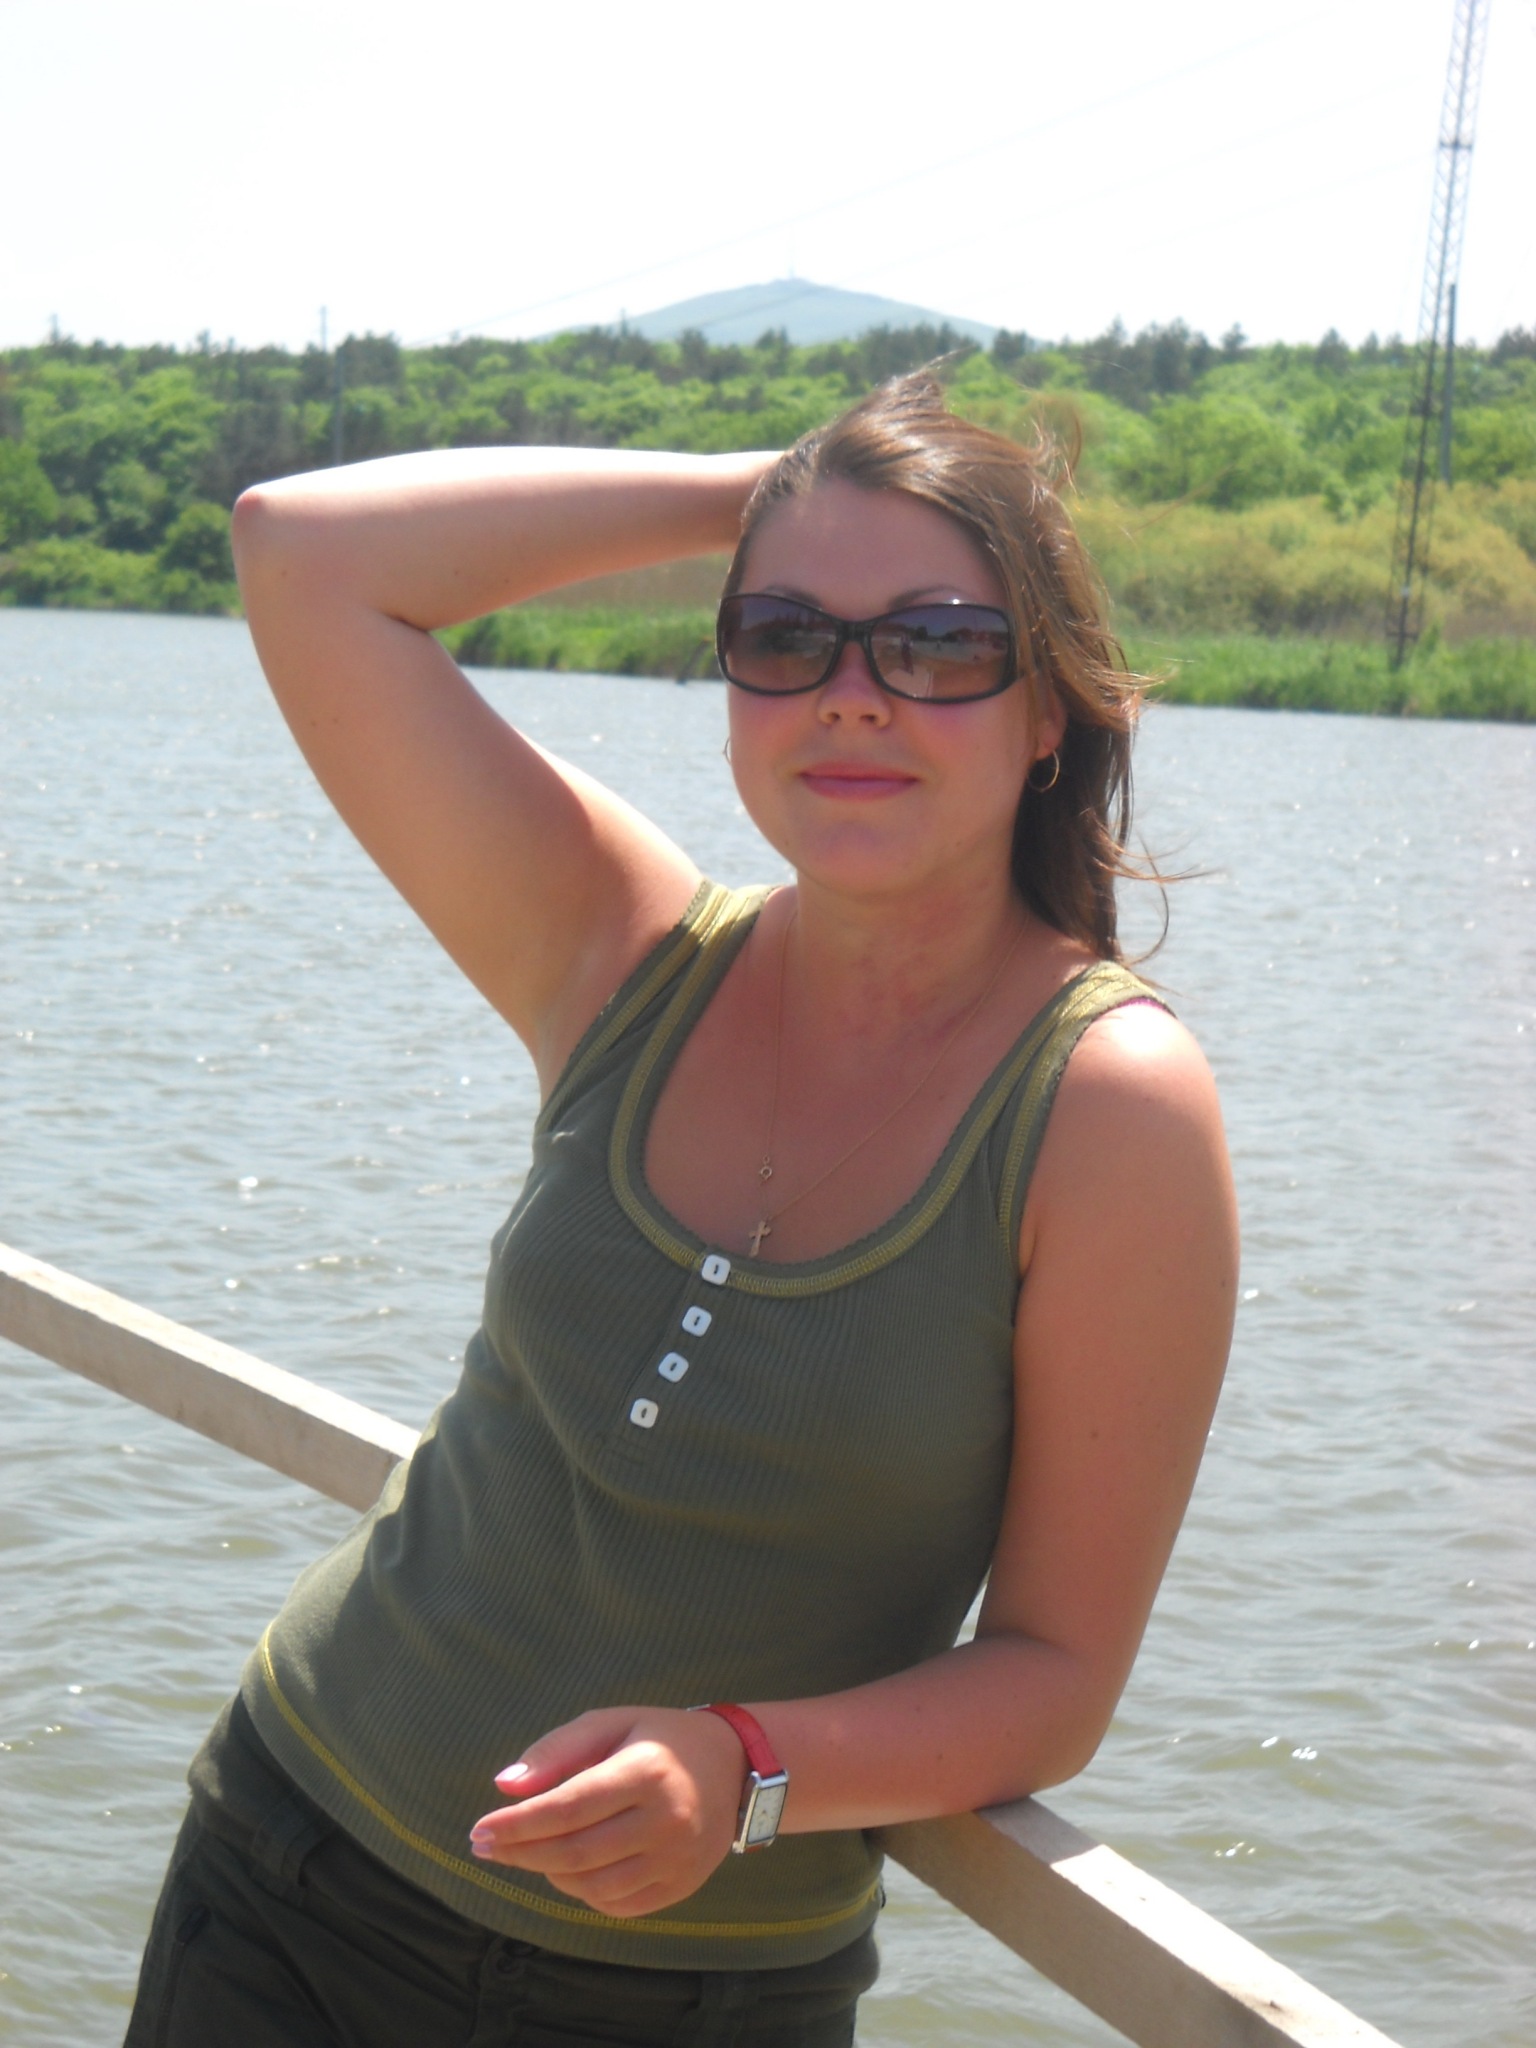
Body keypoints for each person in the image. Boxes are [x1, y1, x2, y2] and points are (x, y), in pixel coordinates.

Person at [125, 374, 1238, 2047]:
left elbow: (1055, 1675)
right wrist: (768, 488)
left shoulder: (1107, 1109)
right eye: (785, 637)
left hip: (691, 2001)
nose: (852, 695)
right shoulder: (627, 952)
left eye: (936, 645)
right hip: (284, 1873)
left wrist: (749, 1763)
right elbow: (301, 554)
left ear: (1047, 714)